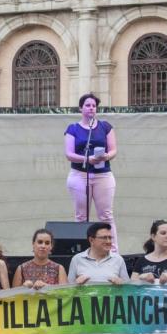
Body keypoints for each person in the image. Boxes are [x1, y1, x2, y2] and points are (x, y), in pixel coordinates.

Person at [64, 93, 118, 251]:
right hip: (80, 175)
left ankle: (113, 251)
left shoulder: (105, 126)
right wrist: (87, 159)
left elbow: (113, 149)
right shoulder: (73, 128)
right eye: (87, 105)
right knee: (81, 216)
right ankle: (83, 251)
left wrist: (107, 155)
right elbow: (69, 154)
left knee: (106, 215)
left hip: (103, 174)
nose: (91, 108)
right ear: (81, 108)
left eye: (94, 106)